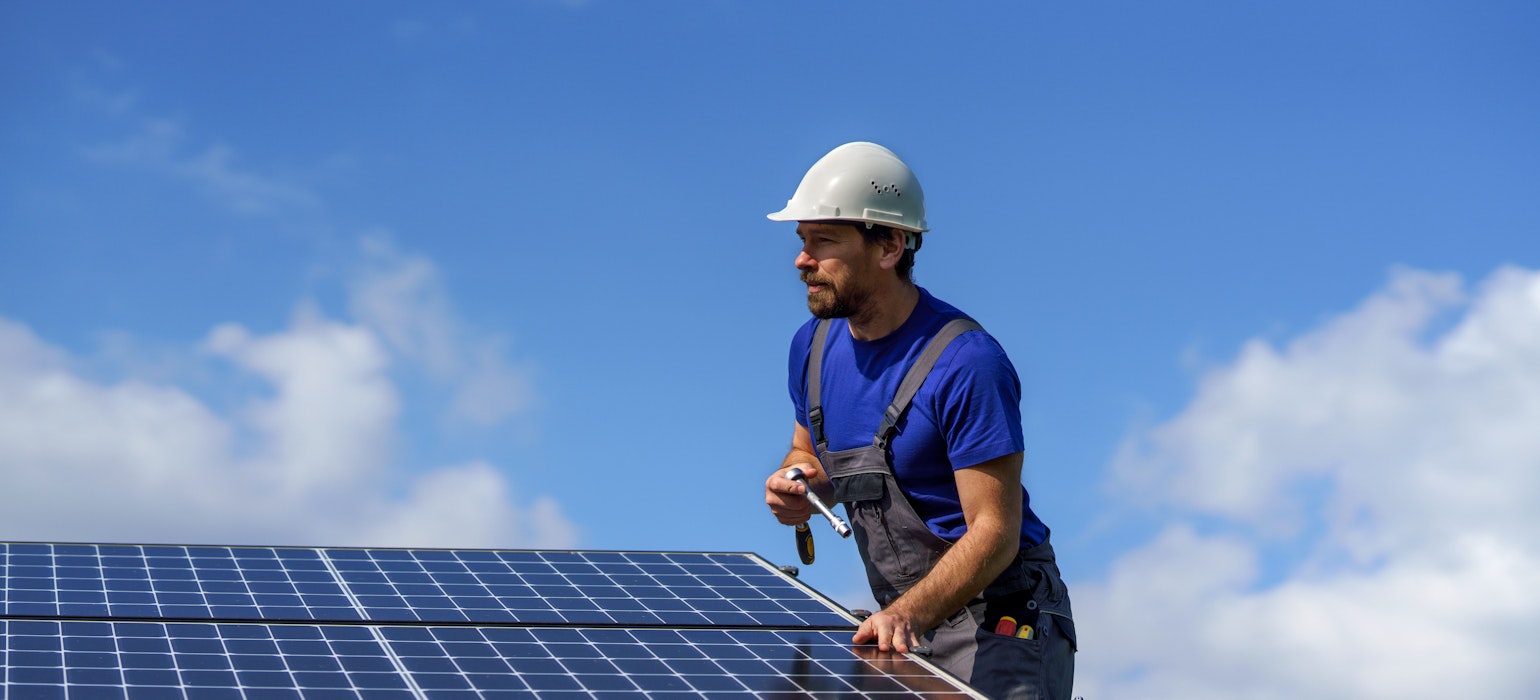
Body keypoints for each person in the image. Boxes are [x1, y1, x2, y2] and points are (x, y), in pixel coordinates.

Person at [763, 142, 1076, 700]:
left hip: (1001, 619)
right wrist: (799, 483)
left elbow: (995, 533)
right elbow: (806, 454)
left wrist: (906, 614)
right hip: (905, 623)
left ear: (889, 245)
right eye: (802, 240)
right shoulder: (809, 350)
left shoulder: (966, 363)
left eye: (823, 241)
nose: (801, 260)